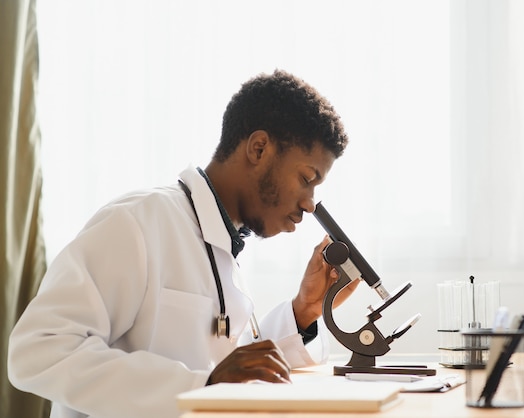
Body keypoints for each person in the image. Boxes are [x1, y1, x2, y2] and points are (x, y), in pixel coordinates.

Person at [8, 69, 358, 418]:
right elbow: (39, 351)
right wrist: (201, 387)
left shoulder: (221, 244)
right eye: (307, 178)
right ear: (259, 148)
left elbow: (227, 367)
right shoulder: (137, 222)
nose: (310, 203)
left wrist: (303, 311)